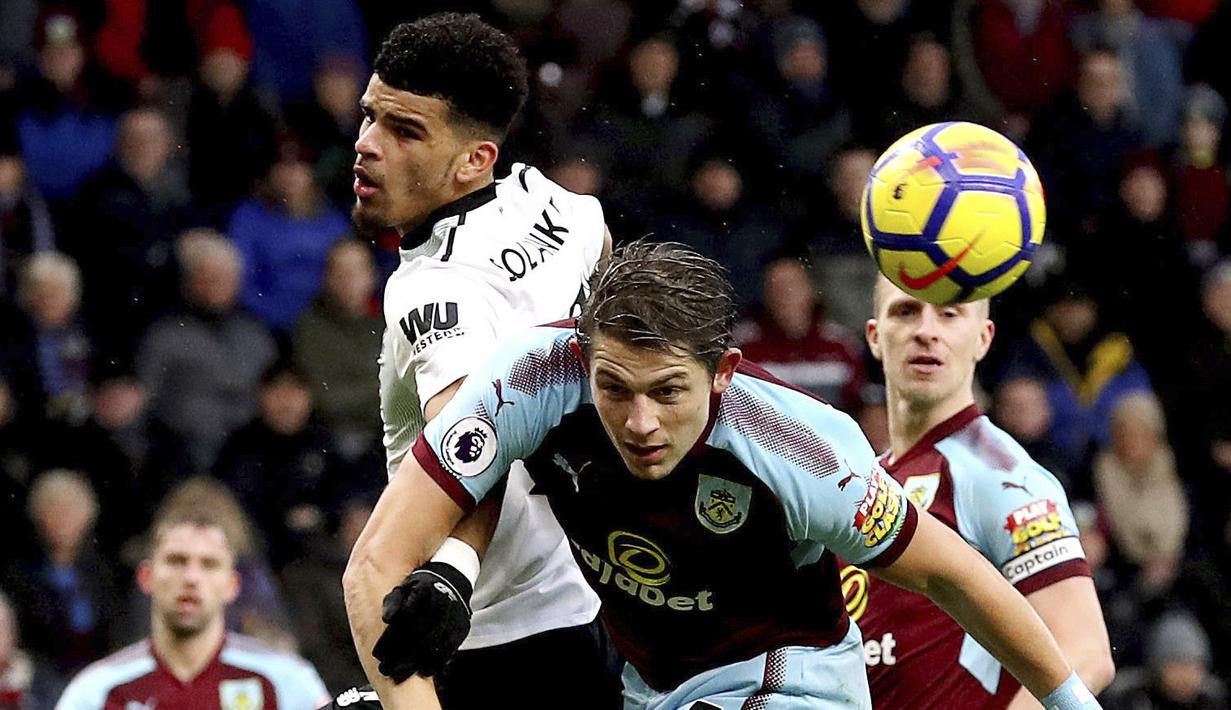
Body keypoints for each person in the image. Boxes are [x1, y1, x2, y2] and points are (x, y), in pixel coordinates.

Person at [344, 240, 1105, 709]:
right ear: (581, 357)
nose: (639, 422)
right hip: (646, 685)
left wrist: (1070, 704)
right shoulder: (532, 379)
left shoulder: (804, 450)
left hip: (788, 679)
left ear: (722, 374)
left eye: (667, 392)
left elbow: (956, 576)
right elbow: (376, 562)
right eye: (614, 387)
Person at [341, 13, 616, 709]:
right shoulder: (560, 205)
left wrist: (453, 569)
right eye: (371, 116)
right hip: (582, 605)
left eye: (405, 132)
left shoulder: (434, 286)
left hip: (492, 644)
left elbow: (473, 447)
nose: (366, 146)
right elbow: (605, 254)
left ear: (474, 159)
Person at [837, 275, 1115, 708]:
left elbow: (1086, 652)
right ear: (874, 336)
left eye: (949, 314)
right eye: (906, 310)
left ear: (983, 339)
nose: (926, 330)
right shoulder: (861, 481)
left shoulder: (1000, 475)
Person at [55, 481, 330, 709]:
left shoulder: (286, 680)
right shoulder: (98, 691)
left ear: (232, 585)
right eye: (177, 561)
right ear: (146, 577)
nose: (191, 578)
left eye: (209, 564)